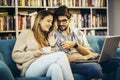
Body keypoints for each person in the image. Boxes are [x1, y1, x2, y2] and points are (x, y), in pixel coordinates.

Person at [53, 5, 120, 80]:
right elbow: (64, 58)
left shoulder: (79, 33)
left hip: (86, 60)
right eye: (59, 21)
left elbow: (89, 52)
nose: (61, 24)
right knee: (95, 68)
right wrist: (85, 57)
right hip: (72, 63)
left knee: (117, 61)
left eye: (64, 20)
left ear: (69, 20)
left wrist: (75, 45)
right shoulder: (55, 36)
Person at [12, 10, 74, 80]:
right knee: (61, 55)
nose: (50, 24)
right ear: (39, 20)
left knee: (56, 67)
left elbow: (49, 57)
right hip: (29, 69)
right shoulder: (26, 33)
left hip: (42, 67)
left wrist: (52, 46)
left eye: (51, 22)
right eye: (48, 21)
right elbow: (15, 55)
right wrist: (34, 54)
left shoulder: (45, 37)